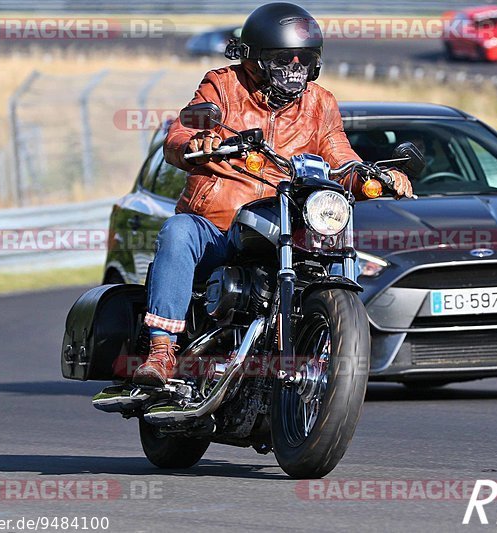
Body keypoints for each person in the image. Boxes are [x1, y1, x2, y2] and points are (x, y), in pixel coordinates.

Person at [133, 2, 413, 386]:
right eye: (284, 59)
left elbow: (340, 156)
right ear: (256, 58)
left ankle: (321, 349)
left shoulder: (320, 103)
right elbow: (179, 134)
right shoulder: (224, 84)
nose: (295, 69)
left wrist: (376, 177)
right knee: (179, 231)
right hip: (217, 227)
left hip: (281, 226)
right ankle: (162, 350)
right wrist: (200, 142)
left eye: (304, 60)